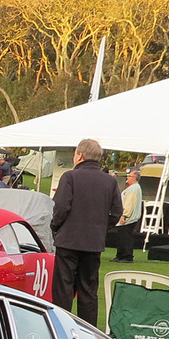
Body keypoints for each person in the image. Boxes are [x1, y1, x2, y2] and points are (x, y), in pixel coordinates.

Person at [50, 137, 121, 326]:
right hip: (93, 242)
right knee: (88, 289)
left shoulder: (70, 177)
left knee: (63, 288)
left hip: (68, 240)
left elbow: (60, 208)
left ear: (79, 156)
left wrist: (56, 227)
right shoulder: (110, 182)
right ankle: (88, 330)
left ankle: (60, 326)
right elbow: (116, 212)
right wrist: (101, 228)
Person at [112, 168, 143, 263]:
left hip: (129, 218)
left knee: (126, 237)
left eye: (129, 176)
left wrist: (124, 216)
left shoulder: (134, 189)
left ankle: (127, 256)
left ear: (135, 178)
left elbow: (129, 204)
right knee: (121, 236)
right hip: (128, 217)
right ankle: (120, 255)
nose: (127, 177)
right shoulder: (132, 187)